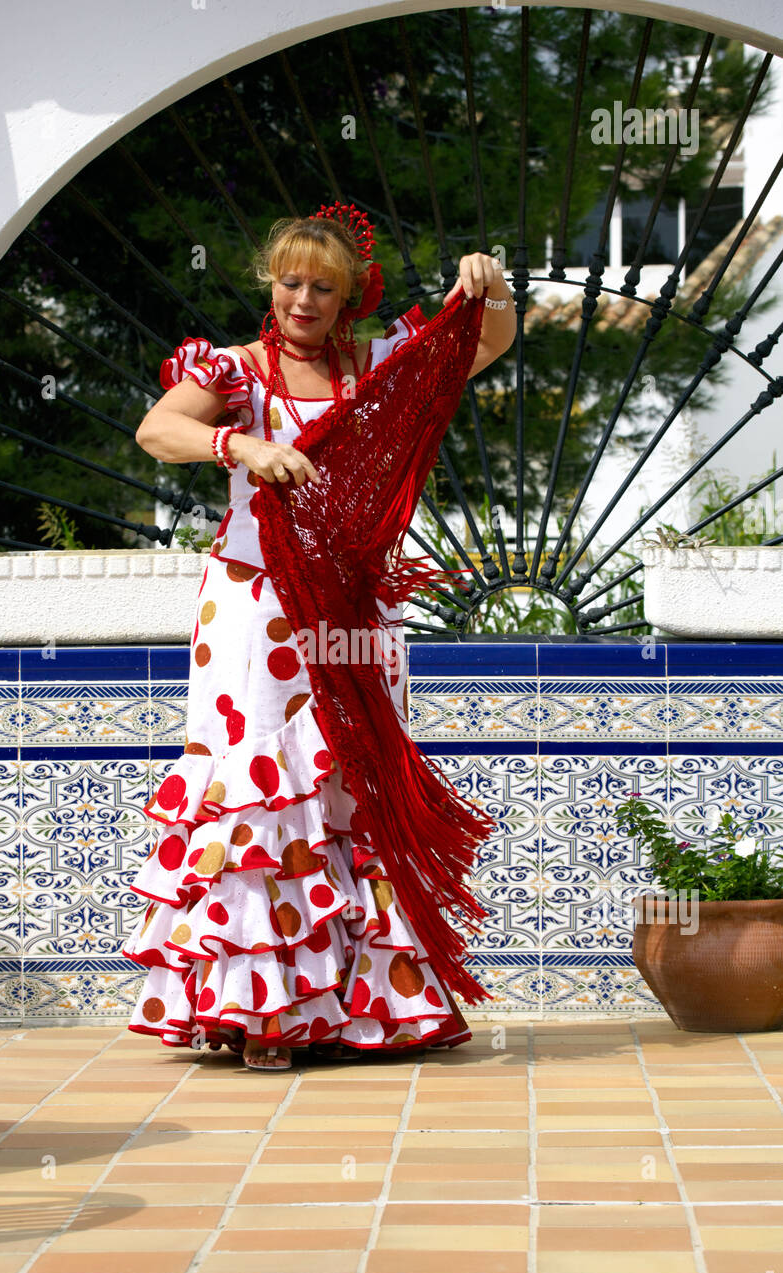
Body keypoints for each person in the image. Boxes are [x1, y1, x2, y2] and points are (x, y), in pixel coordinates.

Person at [124, 201, 516, 1070]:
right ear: (272, 281)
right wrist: (240, 446)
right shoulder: (234, 368)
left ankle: (361, 1008)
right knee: (264, 785)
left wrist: (490, 286)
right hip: (255, 601)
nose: (304, 298)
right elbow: (158, 430)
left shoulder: (373, 366)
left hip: (351, 609)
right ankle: (263, 1011)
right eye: (291, 281)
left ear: (349, 298)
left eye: (323, 287)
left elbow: (479, 344)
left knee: (348, 775)